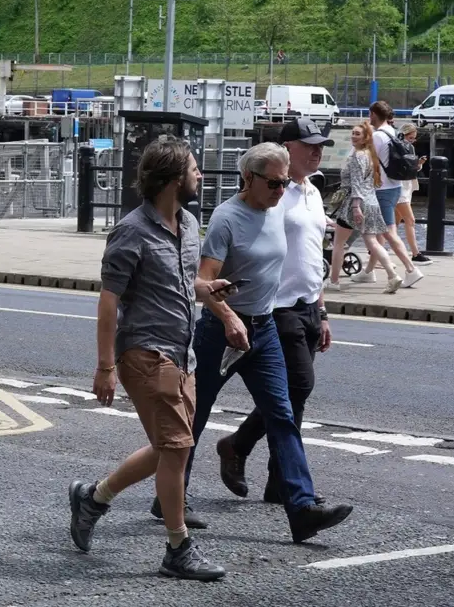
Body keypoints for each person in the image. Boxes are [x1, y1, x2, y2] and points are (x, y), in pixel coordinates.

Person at [152, 142, 353, 544]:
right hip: (220, 332)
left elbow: (301, 260)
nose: (282, 190)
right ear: (249, 179)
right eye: (275, 183)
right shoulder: (228, 219)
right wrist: (229, 318)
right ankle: (169, 498)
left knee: (282, 413)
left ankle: (302, 509)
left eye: (284, 183)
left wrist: (319, 306)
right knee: (194, 414)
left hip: (264, 330)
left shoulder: (278, 209)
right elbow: (203, 283)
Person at [68, 136, 226, 582]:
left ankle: (93, 498)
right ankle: (178, 548)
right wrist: (104, 367)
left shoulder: (190, 224)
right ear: (175, 179)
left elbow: (180, 283)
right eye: (195, 169)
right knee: (177, 448)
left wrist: (207, 290)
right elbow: (109, 300)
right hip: (144, 354)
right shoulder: (132, 230)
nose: (200, 176)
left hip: (182, 353)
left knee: (167, 448)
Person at [214, 118, 334, 505]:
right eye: (309, 145)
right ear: (285, 149)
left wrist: (323, 310)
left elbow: (311, 255)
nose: (317, 151)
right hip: (273, 308)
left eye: (321, 145)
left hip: (306, 306)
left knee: (290, 399)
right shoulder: (272, 195)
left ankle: (275, 480)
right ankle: (241, 448)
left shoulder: (312, 192)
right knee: (297, 388)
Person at [327, 123, 403, 295]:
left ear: (366, 138)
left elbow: (356, 183)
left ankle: (334, 281)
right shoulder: (370, 155)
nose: (354, 136)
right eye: (353, 133)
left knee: (339, 243)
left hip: (355, 203)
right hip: (371, 201)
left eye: (358, 134)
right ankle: (392, 275)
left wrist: (355, 207)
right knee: (373, 242)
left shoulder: (357, 157)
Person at [362, 101, 425, 289]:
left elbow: (366, 161)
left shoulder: (377, 136)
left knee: (388, 232)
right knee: (381, 231)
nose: (369, 118)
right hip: (396, 185)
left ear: (373, 114)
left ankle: (411, 269)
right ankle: (367, 272)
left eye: (370, 114)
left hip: (382, 189)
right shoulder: (393, 132)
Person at [394, 122, 432, 265]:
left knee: (393, 224)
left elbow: (410, 168)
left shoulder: (408, 148)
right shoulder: (399, 148)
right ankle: (415, 253)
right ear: (403, 135)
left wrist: (419, 163)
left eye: (414, 138)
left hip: (405, 187)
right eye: (410, 138)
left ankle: (375, 252)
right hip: (400, 189)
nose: (412, 141)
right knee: (410, 220)